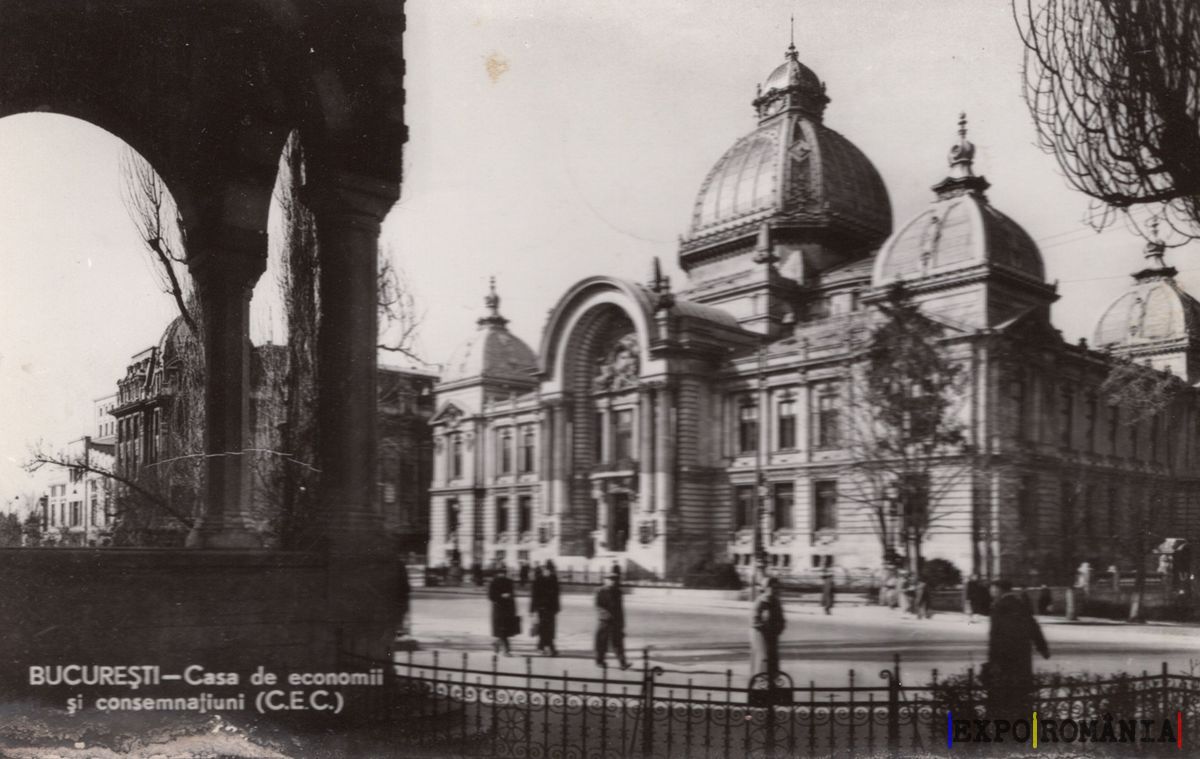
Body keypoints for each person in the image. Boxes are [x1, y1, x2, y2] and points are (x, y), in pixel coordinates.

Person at [985, 578, 1050, 719]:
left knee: (1003, 696)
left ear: (998, 589)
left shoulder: (998, 606)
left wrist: (992, 660)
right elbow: (1034, 627)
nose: (990, 591)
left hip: (1004, 659)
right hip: (1022, 657)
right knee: (1020, 695)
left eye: (992, 588)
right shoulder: (1020, 603)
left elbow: (996, 637)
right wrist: (1043, 648)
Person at [594, 571, 631, 669]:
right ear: (605, 580)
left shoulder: (618, 592)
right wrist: (606, 615)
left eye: (615, 579)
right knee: (602, 642)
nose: (613, 581)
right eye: (610, 579)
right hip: (604, 621)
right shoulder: (600, 591)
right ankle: (600, 661)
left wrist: (622, 624)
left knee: (618, 642)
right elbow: (598, 606)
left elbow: (620, 609)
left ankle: (623, 663)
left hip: (616, 621)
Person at [750, 577, 786, 678]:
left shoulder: (777, 602)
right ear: (765, 588)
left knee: (773, 658)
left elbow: (782, 619)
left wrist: (779, 628)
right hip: (761, 636)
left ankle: (773, 681)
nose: (773, 590)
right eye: (771, 587)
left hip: (773, 636)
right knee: (763, 658)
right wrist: (764, 628)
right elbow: (754, 619)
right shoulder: (760, 602)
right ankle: (760, 680)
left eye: (776, 587)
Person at [530, 563, 561, 656]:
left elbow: (557, 595)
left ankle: (543, 647)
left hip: (551, 609)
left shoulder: (554, 580)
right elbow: (534, 596)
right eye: (546, 570)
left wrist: (557, 608)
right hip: (541, 608)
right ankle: (548, 647)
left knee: (550, 629)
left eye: (550, 570)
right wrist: (532, 610)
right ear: (543, 570)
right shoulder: (538, 580)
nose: (548, 572)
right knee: (543, 628)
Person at [488, 566, 519, 656]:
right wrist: (501, 596)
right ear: (497, 573)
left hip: (508, 609)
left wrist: (513, 609)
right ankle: (506, 650)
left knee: (505, 630)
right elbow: (491, 596)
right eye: (500, 573)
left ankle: (497, 643)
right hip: (498, 609)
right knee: (502, 630)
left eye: (503, 573)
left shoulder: (509, 582)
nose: (502, 574)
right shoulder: (494, 582)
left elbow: (512, 596)